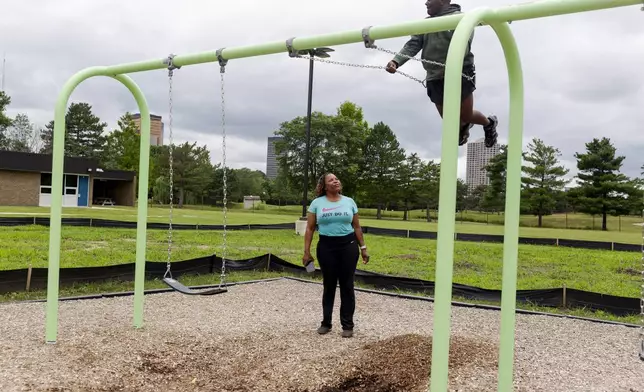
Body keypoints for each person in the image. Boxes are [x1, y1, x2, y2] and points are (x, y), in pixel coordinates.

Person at [385, 0, 498, 148]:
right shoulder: (425, 24)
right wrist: (396, 61)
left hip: (461, 71)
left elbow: (463, 43)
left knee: (465, 114)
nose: (426, 3)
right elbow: (413, 45)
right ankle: (463, 127)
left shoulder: (462, 19)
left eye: (430, 0)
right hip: (434, 75)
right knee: (450, 118)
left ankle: (489, 123)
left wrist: (452, 65)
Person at [303, 173, 369, 338]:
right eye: (331, 180)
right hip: (326, 247)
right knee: (329, 285)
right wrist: (306, 252)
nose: (336, 181)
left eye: (337, 179)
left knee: (347, 285)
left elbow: (357, 227)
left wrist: (363, 247)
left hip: (348, 246)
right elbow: (310, 228)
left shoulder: (349, 202)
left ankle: (347, 325)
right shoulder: (317, 203)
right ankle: (326, 323)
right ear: (325, 186)